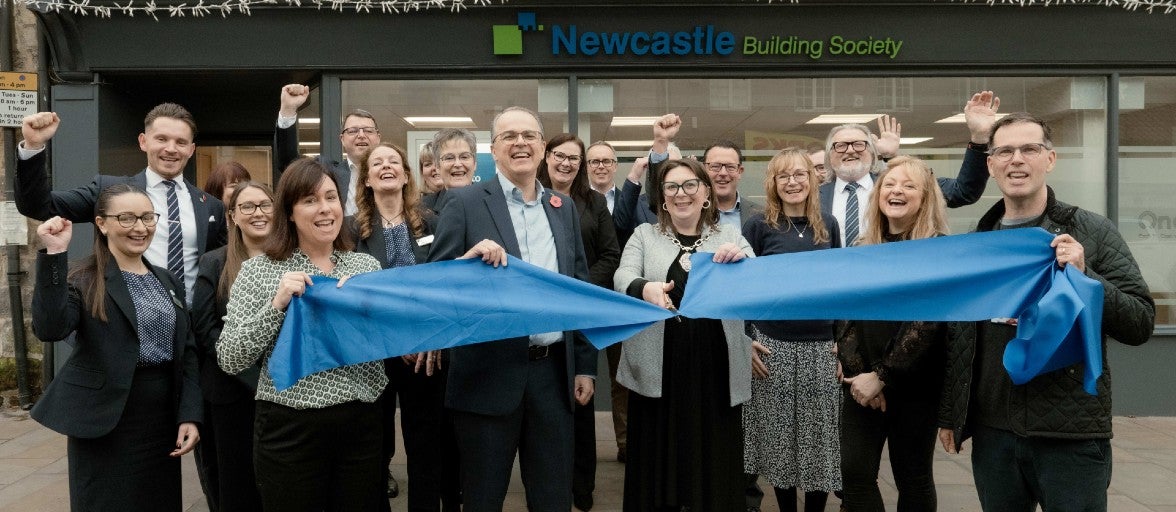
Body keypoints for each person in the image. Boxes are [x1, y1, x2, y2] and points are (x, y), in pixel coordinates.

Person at [938, 113, 1155, 512]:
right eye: (1004, 151)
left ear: (1050, 159)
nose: (1016, 159)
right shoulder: (978, 244)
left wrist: (1085, 275)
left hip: (1068, 434)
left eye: (1029, 149)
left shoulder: (1092, 231)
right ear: (990, 164)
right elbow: (960, 338)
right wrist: (952, 413)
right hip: (994, 435)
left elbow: (1140, 322)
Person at [428, 106, 596, 512]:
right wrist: (467, 260)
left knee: (553, 498)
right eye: (509, 136)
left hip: (553, 377)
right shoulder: (464, 202)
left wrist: (585, 364)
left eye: (529, 136)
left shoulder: (562, 207)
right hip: (488, 374)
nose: (520, 143)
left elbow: (578, 287)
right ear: (494, 148)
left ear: (541, 147)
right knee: (483, 499)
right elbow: (435, 282)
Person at [217, 158, 387, 512]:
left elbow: (403, 323)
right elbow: (231, 357)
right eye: (310, 200)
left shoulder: (365, 268)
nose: (324, 209)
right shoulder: (259, 272)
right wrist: (277, 304)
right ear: (289, 212)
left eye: (330, 198)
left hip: (361, 427)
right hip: (290, 431)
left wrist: (469, 264)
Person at [30, 184, 202, 511]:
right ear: (102, 223)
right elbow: (50, 328)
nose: (140, 227)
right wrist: (54, 254)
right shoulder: (82, 278)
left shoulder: (166, 279)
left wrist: (190, 414)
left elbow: (187, 351)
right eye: (126, 218)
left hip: (161, 420)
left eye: (147, 217)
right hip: (104, 421)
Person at [614, 158, 755, 511]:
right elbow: (621, 277)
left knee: (714, 453)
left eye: (690, 184)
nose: (681, 194)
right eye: (672, 187)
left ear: (706, 192)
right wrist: (644, 287)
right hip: (658, 363)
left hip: (715, 364)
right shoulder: (644, 235)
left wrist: (740, 261)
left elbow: (755, 278)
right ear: (662, 198)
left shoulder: (730, 235)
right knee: (658, 455)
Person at [15, 106, 228, 304]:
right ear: (143, 141)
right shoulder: (109, 189)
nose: (171, 149)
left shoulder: (211, 206)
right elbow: (37, 206)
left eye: (181, 142)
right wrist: (33, 146)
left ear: (191, 149)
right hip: (126, 323)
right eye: (161, 139)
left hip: (190, 328)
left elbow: (220, 268)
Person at [836, 156, 950, 512]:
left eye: (908, 185)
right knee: (854, 473)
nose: (896, 191)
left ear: (925, 197)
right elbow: (845, 316)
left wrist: (882, 377)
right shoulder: (860, 247)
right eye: (889, 184)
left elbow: (926, 323)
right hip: (861, 385)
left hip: (915, 385)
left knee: (912, 477)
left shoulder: (940, 250)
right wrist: (859, 376)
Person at [349, 141, 455, 512]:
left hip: (426, 353)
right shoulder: (350, 232)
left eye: (394, 161)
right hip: (371, 355)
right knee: (372, 446)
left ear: (407, 175)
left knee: (425, 445)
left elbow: (445, 287)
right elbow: (351, 295)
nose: (386, 166)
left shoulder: (432, 223)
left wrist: (431, 336)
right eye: (376, 163)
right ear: (366, 180)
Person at [741, 148, 842, 512]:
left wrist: (841, 344)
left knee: (818, 446)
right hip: (772, 347)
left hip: (820, 348)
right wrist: (747, 340)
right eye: (783, 176)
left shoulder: (828, 224)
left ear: (813, 179)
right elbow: (743, 290)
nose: (793, 182)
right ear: (773, 183)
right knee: (780, 444)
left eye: (800, 174)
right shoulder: (758, 226)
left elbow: (840, 289)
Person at [537, 133, 621, 511]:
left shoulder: (595, 202)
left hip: (582, 310)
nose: (567, 164)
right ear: (547, 158)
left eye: (575, 158)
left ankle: (582, 486)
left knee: (579, 397)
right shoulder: (532, 198)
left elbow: (610, 254)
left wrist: (579, 287)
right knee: (545, 398)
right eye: (560, 156)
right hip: (540, 312)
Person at [819, 91, 998, 247]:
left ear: (873, 151)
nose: (850, 150)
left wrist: (980, 138)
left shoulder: (896, 185)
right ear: (829, 154)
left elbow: (964, 192)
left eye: (859, 144)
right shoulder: (811, 197)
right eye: (840, 146)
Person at [191, 181, 272, 512]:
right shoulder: (214, 263)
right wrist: (250, 374)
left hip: (283, 387)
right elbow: (205, 327)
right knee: (236, 480)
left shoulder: (293, 258)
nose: (258, 213)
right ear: (232, 216)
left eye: (265, 205)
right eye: (248, 207)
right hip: (229, 391)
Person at [617, 114, 763, 233]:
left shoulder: (761, 215)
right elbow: (661, 195)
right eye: (715, 166)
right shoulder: (686, 208)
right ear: (704, 170)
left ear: (740, 171)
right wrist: (661, 141)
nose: (723, 173)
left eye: (730, 167)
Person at [583, 140, 633, 464]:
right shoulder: (573, 201)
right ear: (586, 167)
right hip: (584, 301)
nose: (600, 166)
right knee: (579, 374)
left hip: (620, 303)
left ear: (616, 166)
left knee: (621, 378)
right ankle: (579, 451)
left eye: (606, 161)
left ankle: (626, 443)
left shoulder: (634, 203)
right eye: (594, 161)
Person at [274, 83, 378, 213]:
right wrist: (288, 110)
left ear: (378, 137)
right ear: (342, 139)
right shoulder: (327, 172)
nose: (361, 135)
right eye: (353, 131)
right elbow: (289, 165)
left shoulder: (393, 171)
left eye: (368, 131)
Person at [422, 128, 479, 215]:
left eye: (464, 157)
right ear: (437, 166)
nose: (457, 164)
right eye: (449, 158)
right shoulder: (422, 209)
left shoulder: (493, 204)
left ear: (474, 164)